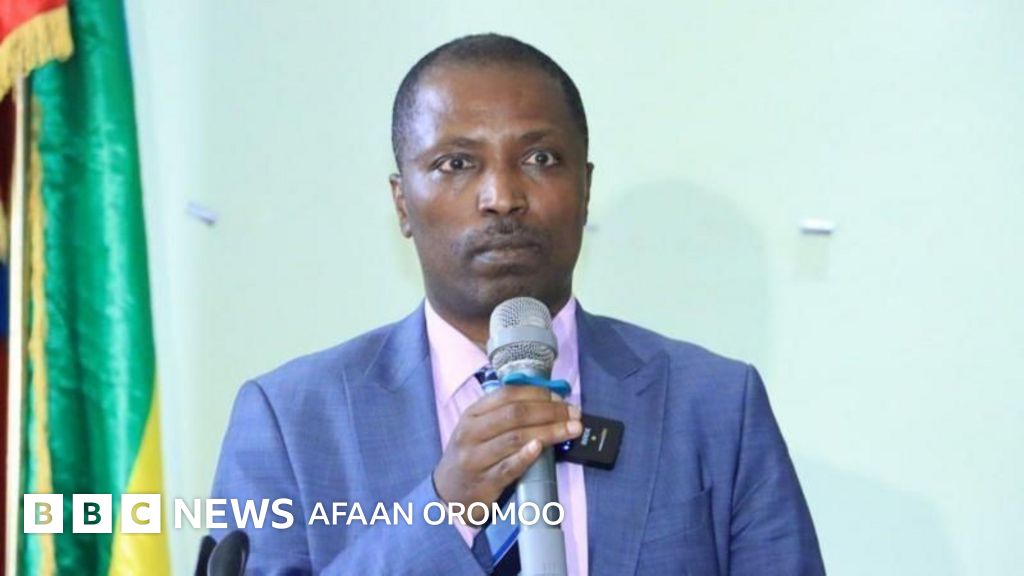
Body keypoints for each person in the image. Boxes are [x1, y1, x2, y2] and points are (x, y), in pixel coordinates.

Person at [211, 33, 825, 575]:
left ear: (585, 189)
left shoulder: (715, 405)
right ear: (402, 203)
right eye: (456, 163)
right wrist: (445, 507)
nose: (502, 196)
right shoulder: (289, 420)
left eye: (539, 159)